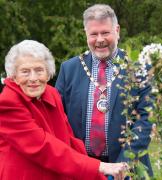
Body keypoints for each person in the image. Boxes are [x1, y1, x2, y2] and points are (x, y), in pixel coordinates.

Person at [0, 40, 129, 180]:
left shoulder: (51, 93)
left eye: (39, 70)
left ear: (48, 73)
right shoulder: (8, 103)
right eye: (25, 72)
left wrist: (97, 174)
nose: (33, 78)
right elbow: (44, 148)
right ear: (13, 76)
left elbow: (69, 140)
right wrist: (99, 166)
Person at [55, 4, 153, 177]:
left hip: (128, 167)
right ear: (86, 34)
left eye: (105, 32)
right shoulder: (69, 69)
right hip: (81, 168)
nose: (99, 39)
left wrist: (123, 165)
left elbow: (145, 120)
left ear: (117, 30)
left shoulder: (139, 69)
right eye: (94, 34)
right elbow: (57, 119)